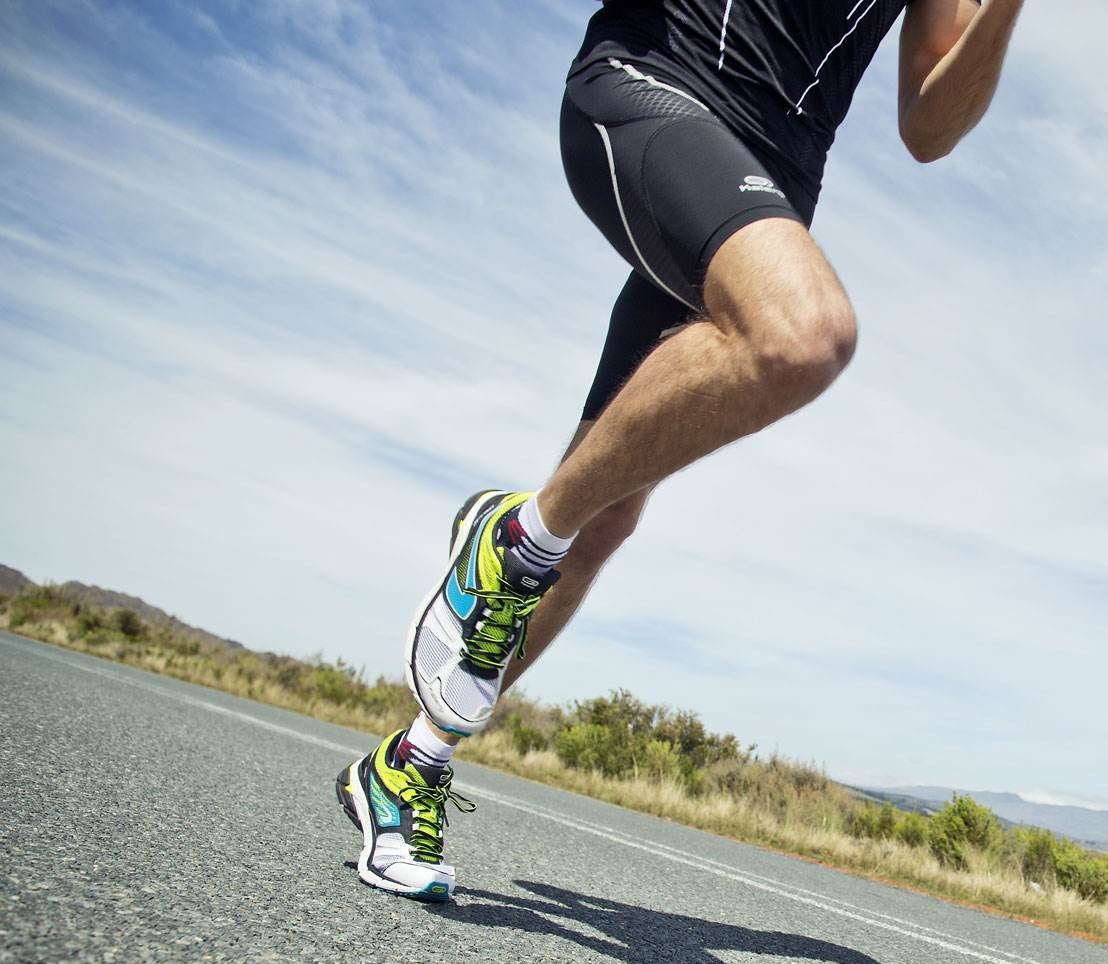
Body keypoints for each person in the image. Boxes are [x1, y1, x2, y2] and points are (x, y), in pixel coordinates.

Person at [334, 0, 1027, 900]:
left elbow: (929, 127)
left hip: (771, 177)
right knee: (803, 331)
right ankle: (512, 540)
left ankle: (408, 766)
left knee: (604, 514)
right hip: (656, 88)